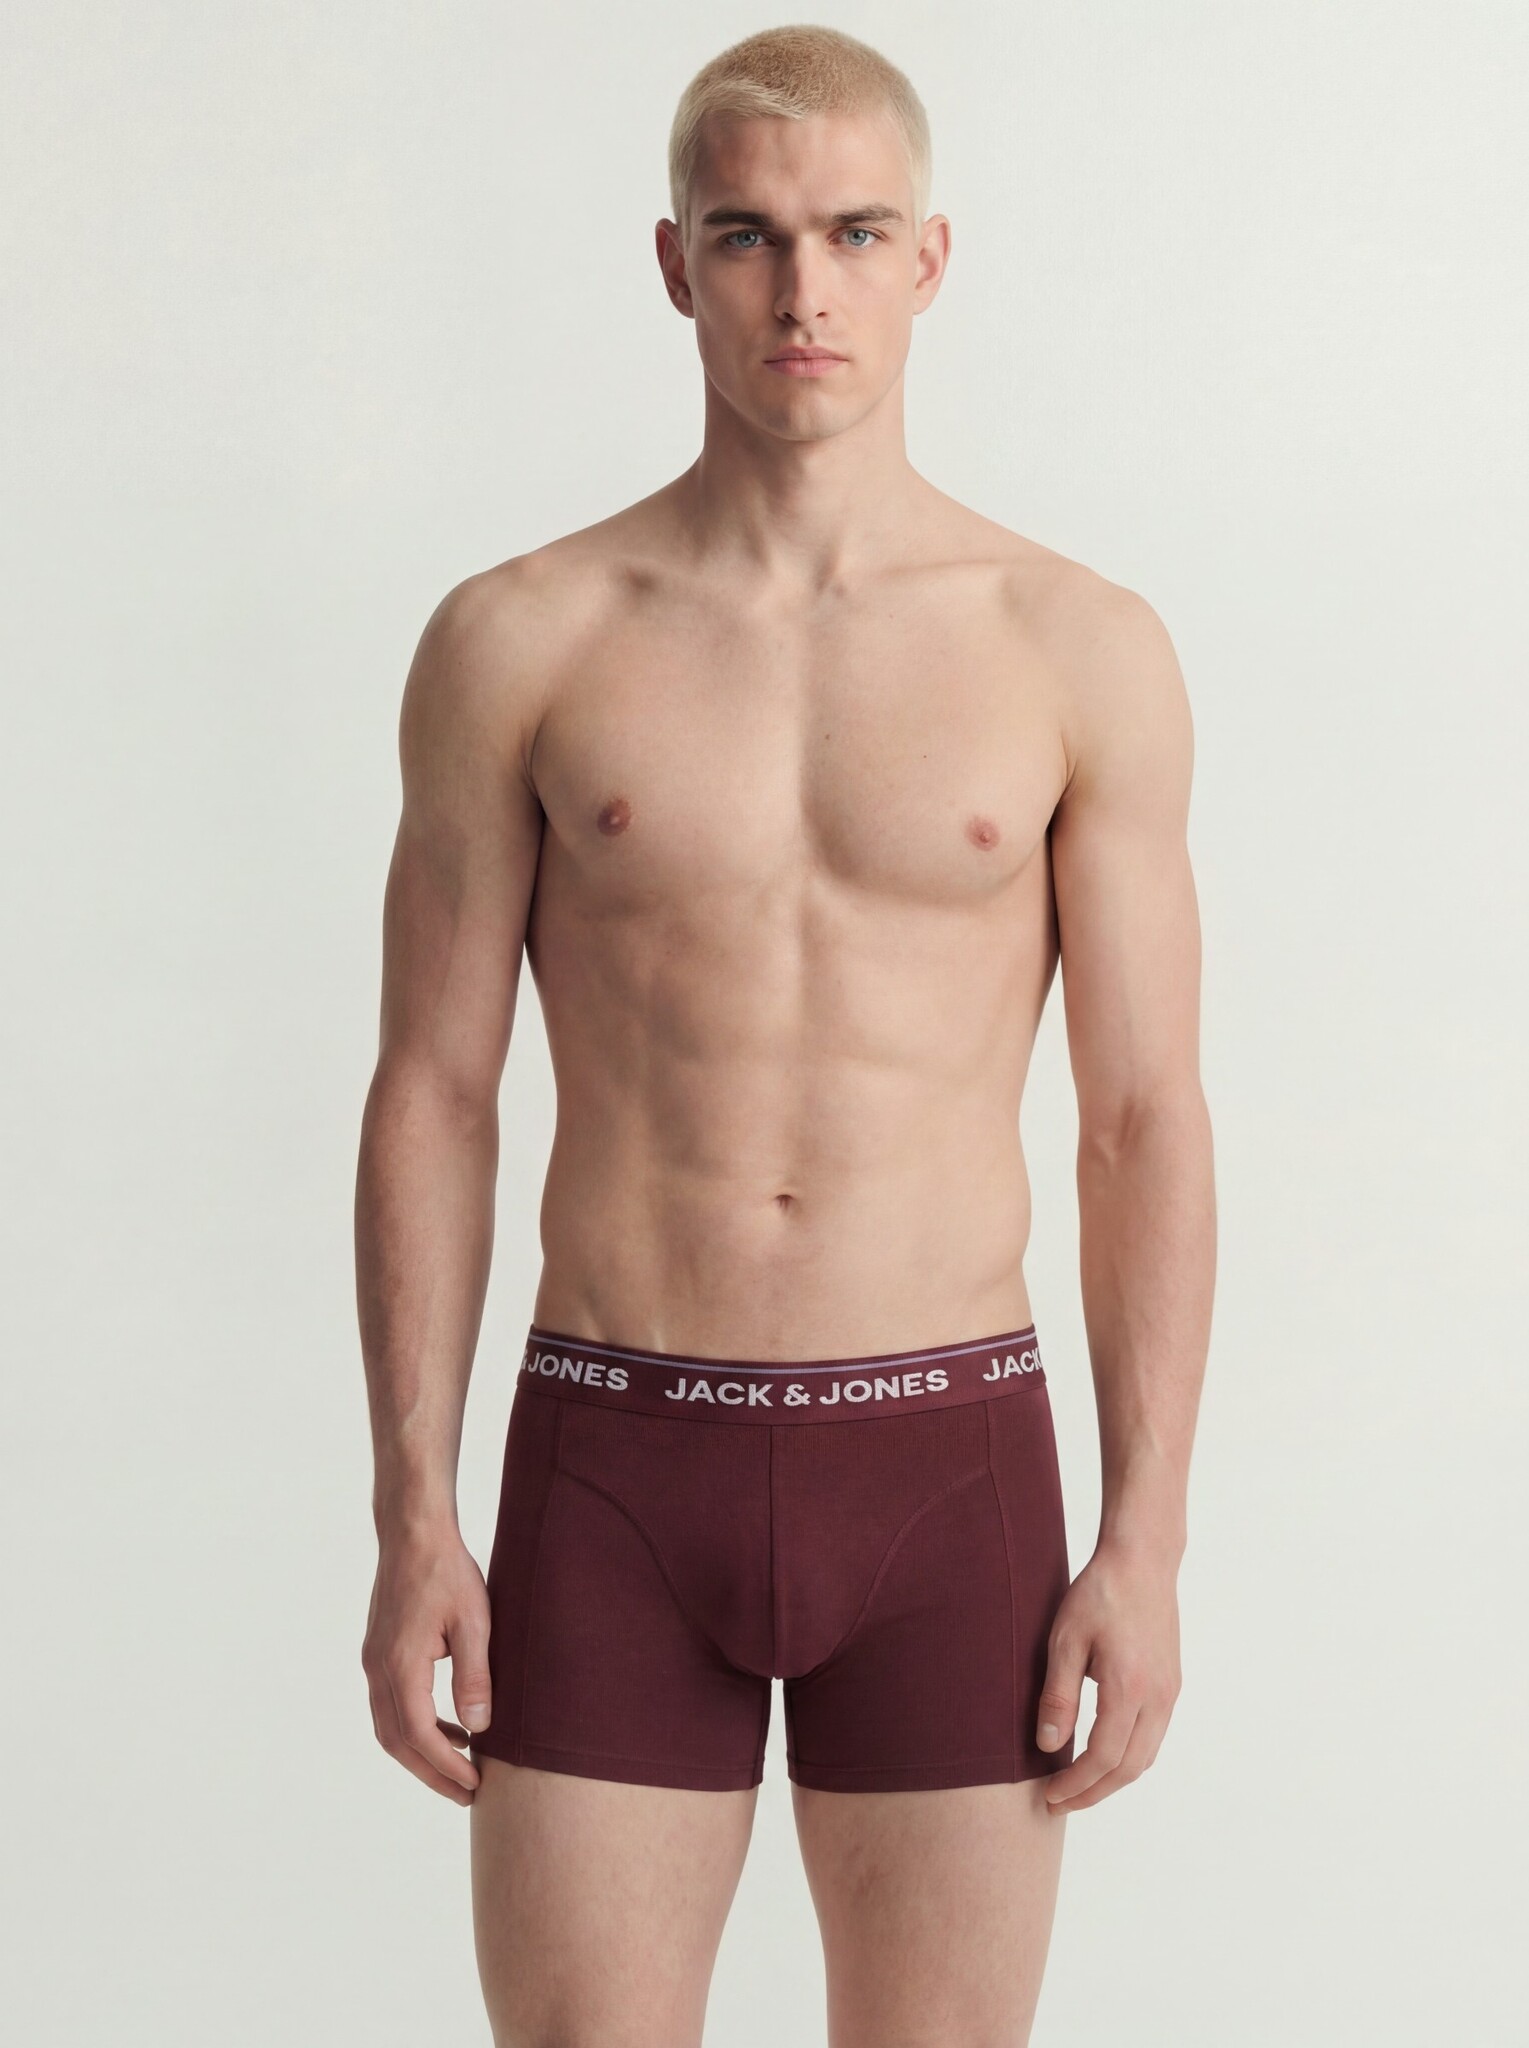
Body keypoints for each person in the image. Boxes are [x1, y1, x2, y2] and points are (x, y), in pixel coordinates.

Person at [354, 22, 1215, 2047]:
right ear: (676, 265)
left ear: (932, 259)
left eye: (854, 233)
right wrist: (410, 1515)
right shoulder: (523, 636)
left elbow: (1141, 1119)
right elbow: (435, 1093)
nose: (803, 288)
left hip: (947, 1469)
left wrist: (1147, 1539)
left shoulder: (1073, 646)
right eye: (746, 236)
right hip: (613, 1459)